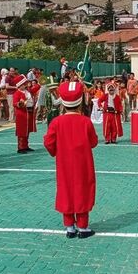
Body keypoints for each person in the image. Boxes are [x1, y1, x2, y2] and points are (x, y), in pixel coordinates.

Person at [43, 79, 98, 239]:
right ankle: (83, 226)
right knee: (83, 189)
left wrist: (56, 151)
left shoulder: (56, 122)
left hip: (64, 163)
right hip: (84, 163)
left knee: (66, 189)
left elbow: (48, 142)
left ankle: (69, 227)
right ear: (80, 102)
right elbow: (93, 142)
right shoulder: (86, 122)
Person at [13, 74, 36, 154]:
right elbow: (15, 103)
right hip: (22, 114)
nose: (25, 85)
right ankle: (21, 147)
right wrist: (20, 103)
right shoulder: (17, 93)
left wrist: (40, 83)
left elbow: (35, 89)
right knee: (22, 131)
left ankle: (26, 146)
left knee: (27, 131)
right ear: (19, 85)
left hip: (28, 113)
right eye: (23, 84)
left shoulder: (27, 91)